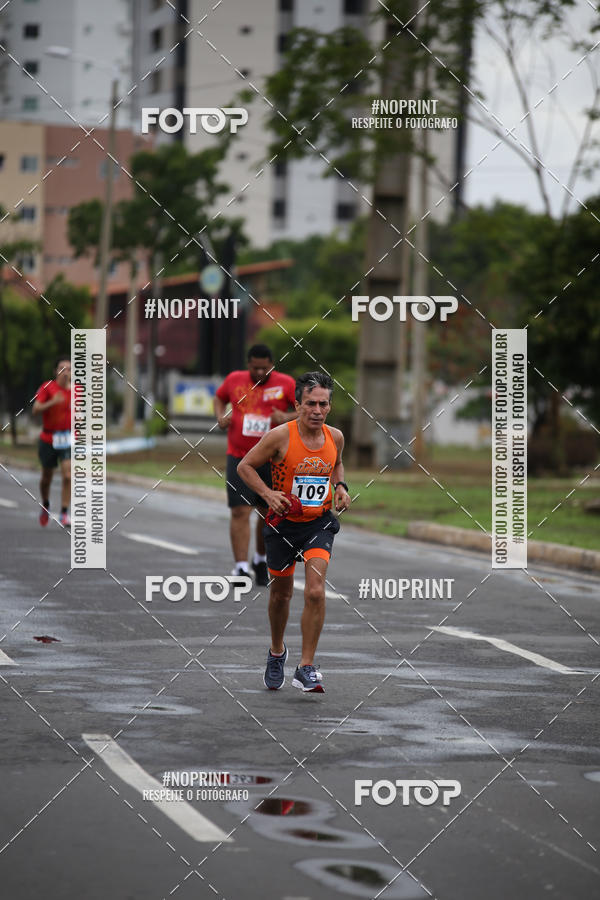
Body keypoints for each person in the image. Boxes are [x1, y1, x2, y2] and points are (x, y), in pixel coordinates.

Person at [237, 371, 351, 693]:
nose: (317, 410)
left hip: (318, 523)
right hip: (282, 525)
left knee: (315, 591)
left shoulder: (336, 437)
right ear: (297, 404)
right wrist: (268, 494)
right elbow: (245, 466)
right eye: (311, 403)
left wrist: (340, 487)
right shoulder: (280, 436)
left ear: (329, 406)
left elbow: (337, 464)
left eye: (323, 404)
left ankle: (306, 666)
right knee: (281, 595)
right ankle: (276, 652)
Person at [214, 344, 296, 585]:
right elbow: (219, 398)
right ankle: (240, 568)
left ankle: (260, 559)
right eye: (255, 368)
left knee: (269, 512)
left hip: (274, 459)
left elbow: (303, 411)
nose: (260, 373)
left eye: (265, 368)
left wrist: (286, 417)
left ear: (272, 365)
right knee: (240, 511)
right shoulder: (234, 379)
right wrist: (220, 417)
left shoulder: (286, 384)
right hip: (239, 456)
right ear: (248, 364)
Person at [32, 357, 72, 527]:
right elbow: (35, 409)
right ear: (56, 371)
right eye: (62, 368)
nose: (66, 372)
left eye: (69, 369)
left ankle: (64, 513)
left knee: (68, 475)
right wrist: (52, 402)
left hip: (66, 439)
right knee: (46, 478)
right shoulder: (48, 387)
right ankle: (46, 504)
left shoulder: (76, 391)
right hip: (48, 438)